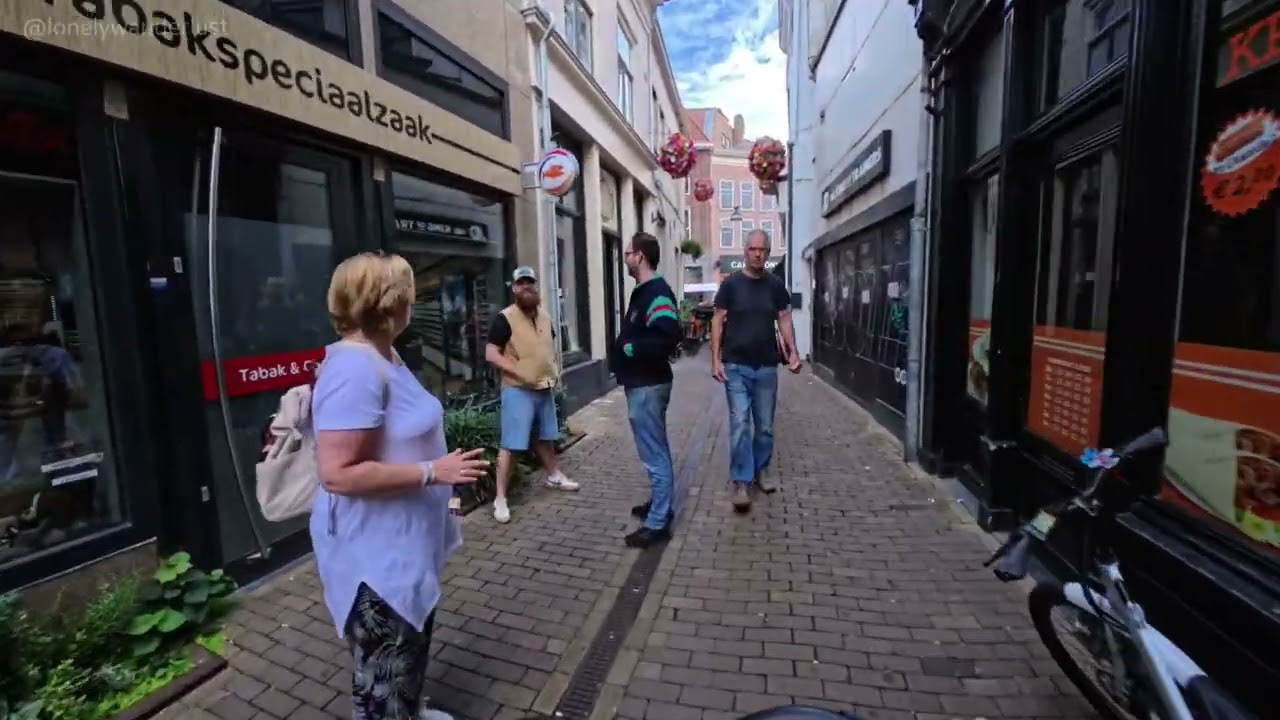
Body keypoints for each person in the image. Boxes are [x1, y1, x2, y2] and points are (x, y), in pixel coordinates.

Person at [311, 252, 490, 720]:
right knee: (384, 671)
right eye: (410, 295)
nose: (416, 302)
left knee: (406, 652)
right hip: (377, 557)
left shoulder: (382, 354)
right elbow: (338, 474)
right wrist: (435, 471)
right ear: (391, 304)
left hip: (402, 544)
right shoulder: (357, 370)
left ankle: (408, 712)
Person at [710, 229, 800, 513]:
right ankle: (741, 480)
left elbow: (784, 319)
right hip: (736, 366)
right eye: (753, 249)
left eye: (763, 250)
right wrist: (715, 359)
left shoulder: (775, 285)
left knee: (765, 427)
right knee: (740, 424)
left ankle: (761, 470)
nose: (758, 254)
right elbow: (718, 320)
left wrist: (793, 350)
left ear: (768, 254)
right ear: (745, 250)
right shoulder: (731, 285)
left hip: (766, 367)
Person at [485, 266, 578, 524]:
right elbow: (491, 354)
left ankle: (554, 475)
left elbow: (547, 347)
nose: (526, 287)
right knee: (511, 445)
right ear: (513, 288)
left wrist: (554, 371)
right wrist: (517, 370)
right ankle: (500, 498)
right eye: (521, 283)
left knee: (544, 437)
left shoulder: (546, 317)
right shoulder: (505, 318)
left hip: (544, 386)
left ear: (535, 286)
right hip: (518, 390)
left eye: (530, 283)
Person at [613, 232, 682, 548]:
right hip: (641, 384)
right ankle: (659, 506)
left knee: (654, 454)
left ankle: (658, 523)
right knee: (656, 450)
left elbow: (667, 338)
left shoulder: (657, 294)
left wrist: (629, 349)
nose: (625, 258)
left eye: (628, 253)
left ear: (639, 256)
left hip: (648, 386)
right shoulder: (644, 292)